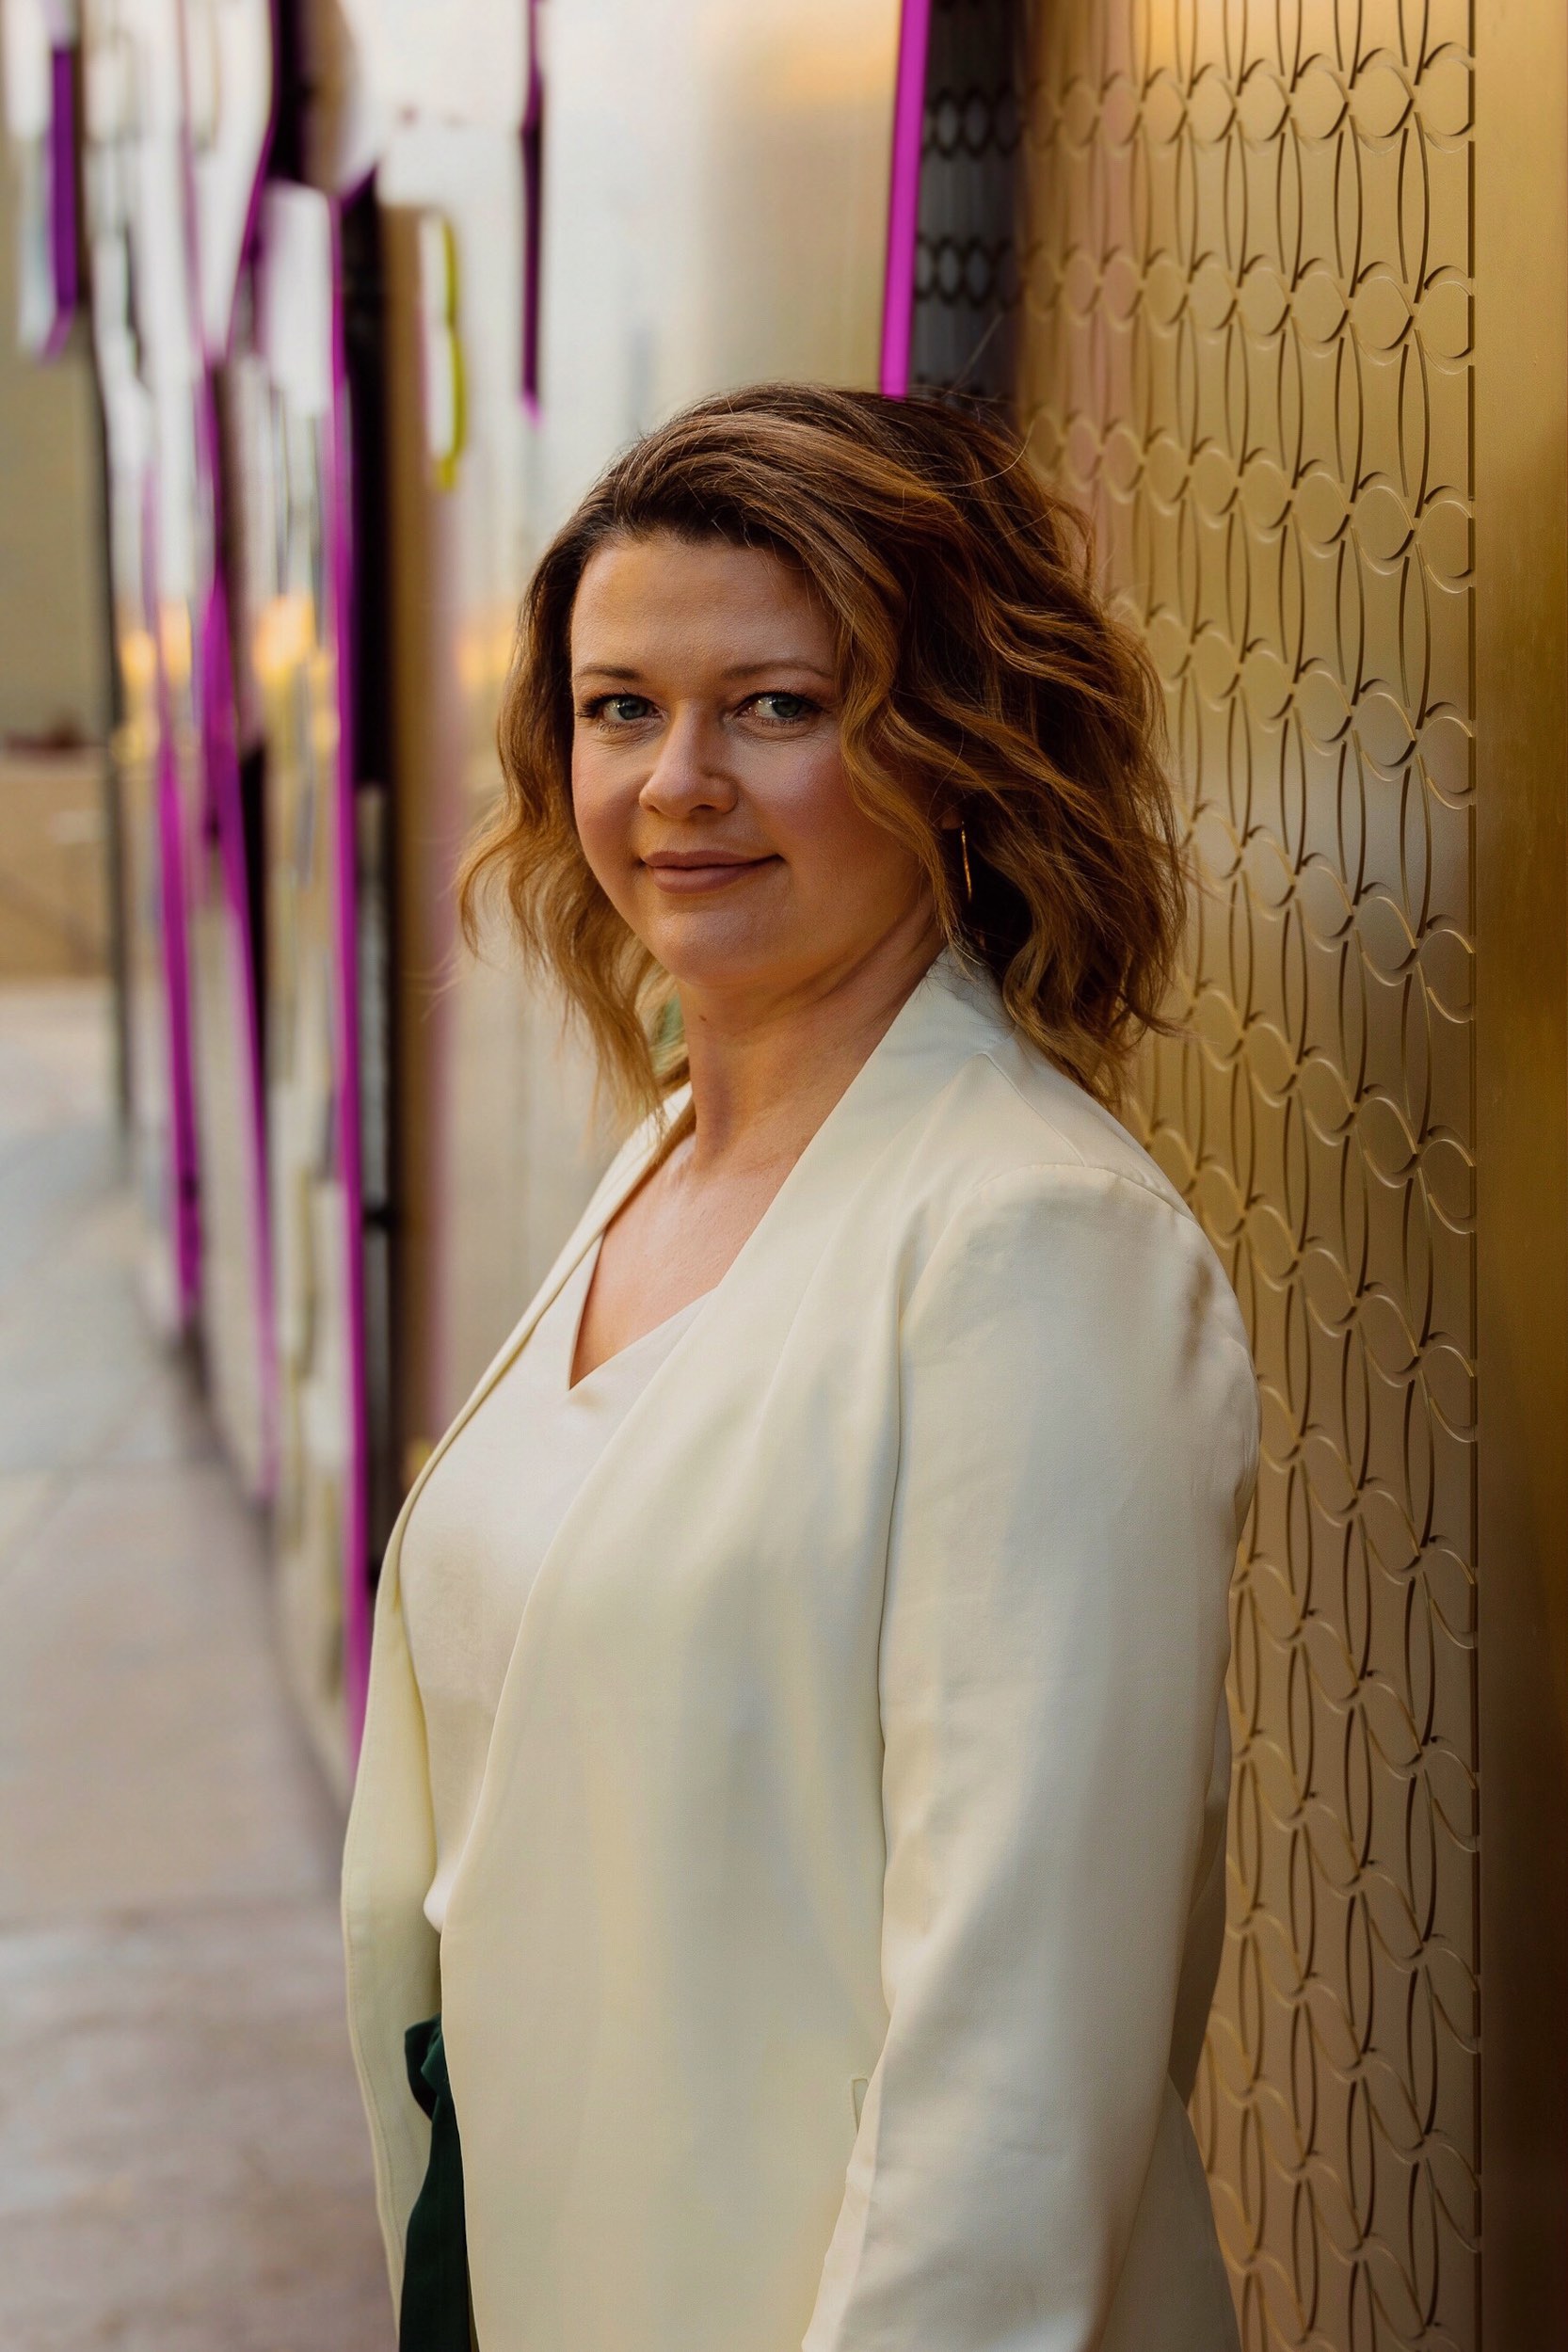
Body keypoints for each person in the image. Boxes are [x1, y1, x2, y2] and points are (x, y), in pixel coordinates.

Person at [342, 382, 1259, 2352]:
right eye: (617, 707)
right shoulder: (671, 1149)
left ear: (948, 745)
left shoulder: (1029, 1248)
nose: (677, 781)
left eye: (775, 704)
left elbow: (1010, 2072)